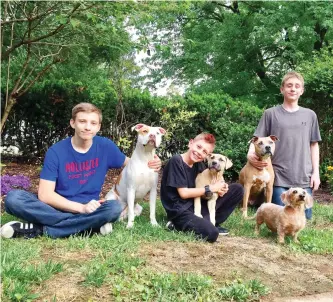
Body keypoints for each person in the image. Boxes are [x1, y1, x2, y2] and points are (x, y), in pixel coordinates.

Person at [1, 103, 161, 239]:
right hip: (57, 205)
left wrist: (154, 162)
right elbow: (45, 195)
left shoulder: (105, 146)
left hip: (91, 206)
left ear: (98, 126)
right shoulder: (56, 151)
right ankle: (90, 227)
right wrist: (80, 210)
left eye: (93, 123)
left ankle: (40, 229)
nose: (87, 127)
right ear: (72, 123)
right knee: (14, 198)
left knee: (113, 208)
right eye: (82, 121)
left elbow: (132, 164)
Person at [247, 71, 321, 219]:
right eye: (289, 85)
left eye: (297, 86)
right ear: (282, 89)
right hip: (277, 176)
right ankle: (258, 199)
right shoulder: (270, 113)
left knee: (305, 217)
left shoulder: (310, 115)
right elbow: (256, 139)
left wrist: (316, 173)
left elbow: (314, 145)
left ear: (302, 91)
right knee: (281, 216)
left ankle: (258, 200)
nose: (293, 89)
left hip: (303, 177)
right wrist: (249, 155)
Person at [160, 133, 244, 243]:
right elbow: (184, 193)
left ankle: (208, 222)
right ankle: (175, 225)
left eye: (205, 152)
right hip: (180, 210)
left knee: (237, 189)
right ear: (190, 143)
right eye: (199, 147)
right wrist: (211, 188)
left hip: (195, 205)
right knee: (212, 233)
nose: (200, 152)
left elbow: (207, 185)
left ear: (206, 156)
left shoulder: (198, 164)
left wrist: (221, 188)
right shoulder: (177, 161)